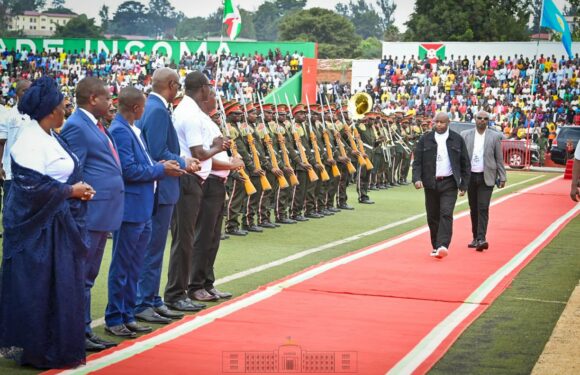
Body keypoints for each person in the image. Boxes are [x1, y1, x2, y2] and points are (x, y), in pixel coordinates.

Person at [0, 76, 95, 368]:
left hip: (60, 225)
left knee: (60, 287)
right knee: (40, 289)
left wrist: (76, 190)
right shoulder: (29, 140)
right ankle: (39, 349)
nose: (65, 109)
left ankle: (56, 345)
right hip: (39, 232)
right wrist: (70, 191)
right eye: (62, 106)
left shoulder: (51, 135)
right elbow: (30, 187)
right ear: (51, 110)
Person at [105, 87, 184, 338]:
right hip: (130, 208)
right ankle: (115, 317)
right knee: (122, 266)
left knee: (134, 265)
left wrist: (159, 166)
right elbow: (128, 171)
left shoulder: (132, 129)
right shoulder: (119, 130)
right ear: (137, 108)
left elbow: (142, 165)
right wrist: (161, 170)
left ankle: (128, 314)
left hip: (142, 206)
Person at [60, 77, 123, 351]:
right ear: (93, 99)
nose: (111, 103)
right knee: (81, 274)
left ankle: (83, 329)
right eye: (107, 98)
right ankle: (77, 332)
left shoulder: (95, 124)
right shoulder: (76, 125)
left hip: (101, 212)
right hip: (89, 212)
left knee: (88, 275)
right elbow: (74, 170)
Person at [135, 68, 199, 323]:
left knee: (154, 248)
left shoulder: (151, 107)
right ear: (171, 85)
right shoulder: (159, 110)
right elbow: (158, 151)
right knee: (153, 249)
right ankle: (145, 301)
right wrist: (183, 160)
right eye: (178, 85)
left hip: (158, 185)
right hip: (162, 186)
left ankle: (151, 299)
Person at [165, 71, 226, 306]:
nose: (210, 92)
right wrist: (218, 148)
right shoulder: (189, 114)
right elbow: (198, 153)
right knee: (185, 240)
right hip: (187, 179)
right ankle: (177, 294)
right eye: (209, 88)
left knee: (188, 239)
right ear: (202, 89)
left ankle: (181, 292)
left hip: (194, 180)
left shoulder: (191, 111)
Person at [189, 79, 242, 302]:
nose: (215, 101)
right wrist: (232, 164)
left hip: (218, 184)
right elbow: (206, 158)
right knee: (203, 237)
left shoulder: (211, 123)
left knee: (213, 238)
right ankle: (195, 285)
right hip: (209, 182)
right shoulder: (200, 122)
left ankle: (207, 283)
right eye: (212, 96)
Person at [412, 112, 470, 259]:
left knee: (446, 212)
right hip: (430, 183)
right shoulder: (425, 139)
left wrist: (464, 185)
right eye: (436, 122)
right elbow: (417, 161)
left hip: (449, 183)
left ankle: (443, 245)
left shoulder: (457, 139)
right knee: (432, 216)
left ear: (448, 123)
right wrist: (416, 178)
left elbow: (465, 164)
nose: (438, 125)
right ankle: (436, 246)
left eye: (442, 122)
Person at [461, 111, 507, 251]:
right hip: (470, 176)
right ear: (475, 119)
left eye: (485, 119)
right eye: (479, 118)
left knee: (483, 207)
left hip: (487, 177)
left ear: (488, 121)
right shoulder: (465, 135)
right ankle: (475, 237)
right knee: (473, 208)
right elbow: (461, 158)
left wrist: (502, 176)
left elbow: (499, 158)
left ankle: (482, 238)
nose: (482, 120)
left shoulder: (494, 136)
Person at [0, 80, 31, 202]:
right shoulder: (8, 116)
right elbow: (1, 143)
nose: (28, 93)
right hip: (11, 173)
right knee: (10, 210)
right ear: (16, 94)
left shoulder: (37, 116)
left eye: (31, 91)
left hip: (33, 172)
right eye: (25, 91)